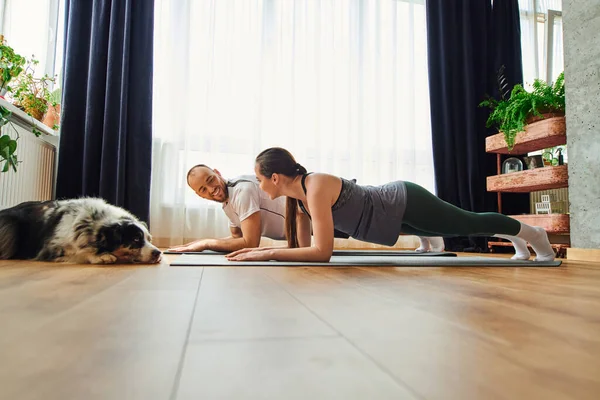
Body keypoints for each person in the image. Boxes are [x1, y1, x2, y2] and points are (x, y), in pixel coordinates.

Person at [226, 147, 553, 262]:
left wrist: (265, 251)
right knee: (449, 227)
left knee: (468, 222)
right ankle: (513, 239)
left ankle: (532, 234)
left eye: (259, 178)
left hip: (402, 201)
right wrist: (263, 254)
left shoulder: (316, 185)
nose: (257, 185)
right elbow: (306, 249)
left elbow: (322, 252)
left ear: (276, 177)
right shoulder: (299, 204)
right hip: (385, 220)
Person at [167, 164, 287, 253]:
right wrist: (199, 243)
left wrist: (207, 244)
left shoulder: (241, 191)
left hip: (304, 235)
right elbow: (237, 237)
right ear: (200, 195)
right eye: (203, 189)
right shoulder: (227, 201)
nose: (211, 189)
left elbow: (250, 243)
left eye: (210, 180)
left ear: (217, 173)